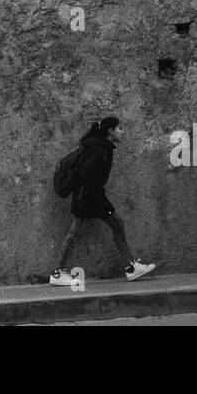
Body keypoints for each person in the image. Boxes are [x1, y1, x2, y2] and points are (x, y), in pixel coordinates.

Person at [50, 117, 156, 286]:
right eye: (120, 128)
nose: (123, 132)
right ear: (110, 131)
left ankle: (131, 267)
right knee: (77, 231)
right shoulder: (99, 150)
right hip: (88, 197)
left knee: (116, 224)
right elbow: (85, 175)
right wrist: (96, 199)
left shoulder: (101, 148)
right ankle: (57, 273)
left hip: (90, 196)